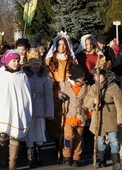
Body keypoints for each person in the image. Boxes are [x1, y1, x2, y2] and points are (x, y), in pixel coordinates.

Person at [0, 49, 32, 169]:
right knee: (2, 136)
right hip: (3, 110)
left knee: (15, 136)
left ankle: (12, 163)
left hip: (18, 111)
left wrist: (25, 109)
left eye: (17, 60)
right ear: (7, 62)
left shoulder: (22, 76)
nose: (16, 63)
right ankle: (2, 156)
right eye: (13, 60)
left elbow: (26, 95)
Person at [84, 69, 122, 170]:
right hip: (98, 118)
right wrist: (94, 101)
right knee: (100, 141)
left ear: (105, 76)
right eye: (95, 76)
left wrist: (121, 120)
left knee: (114, 140)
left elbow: (120, 105)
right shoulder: (94, 87)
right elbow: (87, 101)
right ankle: (101, 160)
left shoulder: (114, 87)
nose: (97, 78)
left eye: (99, 76)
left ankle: (115, 162)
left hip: (111, 117)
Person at [44, 31, 76, 162]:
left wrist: (69, 84)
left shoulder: (71, 59)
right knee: (56, 122)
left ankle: (66, 150)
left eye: (64, 45)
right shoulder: (50, 60)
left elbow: (74, 74)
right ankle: (57, 145)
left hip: (68, 91)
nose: (62, 47)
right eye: (59, 45)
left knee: (67, 120)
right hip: (55, 91)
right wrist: (56, 89)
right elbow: (48, 75)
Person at [22, 48, 53, 168]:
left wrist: (49, 111)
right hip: (28, 106)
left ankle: (39, 153)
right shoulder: (24, 75)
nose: (35, 66)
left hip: (40, 105)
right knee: (29, 133)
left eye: (37, 63)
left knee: (39, 131)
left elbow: (48, 95)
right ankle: (31, 157)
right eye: (33, 63)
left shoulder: (45, 76)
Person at [57, 64, 90, 167]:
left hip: (81, 116)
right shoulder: (65, 86)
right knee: (68, 137)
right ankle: (67, 155)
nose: (82, 78)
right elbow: (57, 95)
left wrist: (89, 114)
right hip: (69, 116)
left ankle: (76, 157)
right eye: (80, 76)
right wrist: (59, 96)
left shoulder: (86, 87)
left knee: (79, 138)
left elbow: (88, 101)